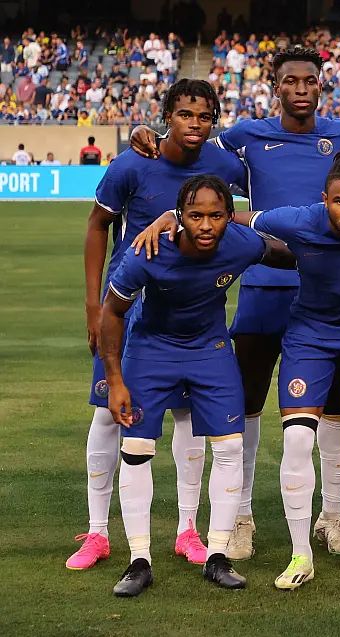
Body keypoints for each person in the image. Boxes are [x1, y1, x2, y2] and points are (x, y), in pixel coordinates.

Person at [128, 47, 340, 561]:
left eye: (310, 80)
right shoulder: (245, 136)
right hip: (266, 286)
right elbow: (198, 159)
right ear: (276, 85)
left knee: (333, 407)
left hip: (333, 293)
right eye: (291, 81)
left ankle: (331, 516)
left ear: (321, 84)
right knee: (245, 400)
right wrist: (152, 146)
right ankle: (241, 515)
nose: (302, 88)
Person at [68, 79, 246, 572]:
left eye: (204, 115)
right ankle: (98, 533)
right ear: (166, 114)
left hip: (189, 313)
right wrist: (92, 306)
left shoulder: (225, 165)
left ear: (214, 119)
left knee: (189, 421)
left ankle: (188, 530)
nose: (194, 123)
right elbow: (97, 224)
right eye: (185, 113)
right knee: (109, 413)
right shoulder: (132, 163)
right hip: (127, 310)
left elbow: (256, 204)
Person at [101, 175, 292, 597]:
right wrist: (114, 380)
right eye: (196, 215)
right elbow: (112, 312)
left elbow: (285, 253)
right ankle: (139, 560)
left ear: (229, 216)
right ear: (180, 217)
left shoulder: (242, 243)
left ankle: (218, 555)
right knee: (136, 451)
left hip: (211, 350)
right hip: (151, 352)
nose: (206, 225)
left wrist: (333, 248)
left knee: (228, 448)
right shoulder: (148, 251)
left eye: (216, 216)